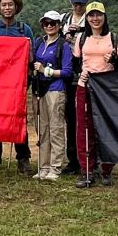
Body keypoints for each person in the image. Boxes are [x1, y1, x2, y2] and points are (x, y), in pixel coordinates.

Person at [72, 1, 118, 188]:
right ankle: (87, 170)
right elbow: (75, 64)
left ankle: (106, 170)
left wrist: (113, 60)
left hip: (107, 89)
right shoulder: (81, 39)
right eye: (91, 15)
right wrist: (81, 74)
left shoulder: (114, 38)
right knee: (84, 129)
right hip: (85, 86)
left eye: (99, 15)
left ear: (104, 17)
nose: (95, 19)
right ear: (87, 18)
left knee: (107, 127)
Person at [0, 0, 35, 175]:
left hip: (17, 83)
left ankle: (23, 158)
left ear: (16, 8)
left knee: (18, 118)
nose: (7, 8)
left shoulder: (24, 29)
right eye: (4, 5)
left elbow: (30, 57)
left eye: (10, 5)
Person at [31, 10, 73, 181]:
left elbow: (68, 71)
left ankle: (55, 168)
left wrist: (45, 71)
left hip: (56, 89)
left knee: (56, 128)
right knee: (42, 129)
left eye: (53, 23)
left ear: (59, 26)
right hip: (39, 89)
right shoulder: (39, 42)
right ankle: (43, 166)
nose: (49, 26)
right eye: (46, 23)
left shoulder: (63, 46)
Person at [60, 0, 89, 175]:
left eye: (81, 3)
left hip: (86, 71)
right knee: (70, 117)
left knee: (87, 118)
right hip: (67, 72)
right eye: (75, 3)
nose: (78, 6)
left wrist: (81, 32)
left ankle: (88, 157)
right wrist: (66, 34)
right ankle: (72, 158)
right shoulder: (63, 19)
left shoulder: (92, 18)